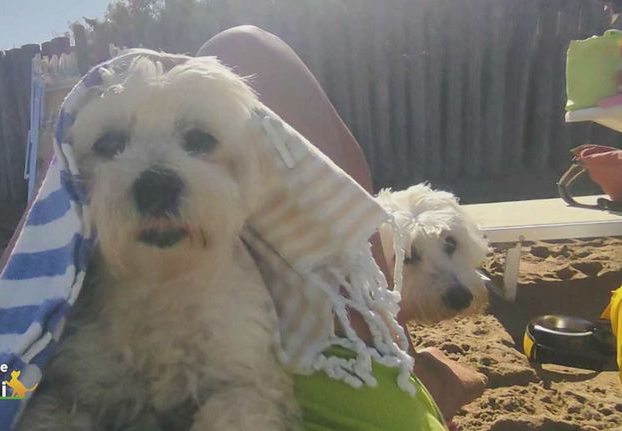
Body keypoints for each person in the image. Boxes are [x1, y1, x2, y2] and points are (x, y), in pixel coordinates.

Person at [0, 24, 486, 430]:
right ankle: (410, 360)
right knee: (246, 47)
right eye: (110, 146)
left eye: (197, 140)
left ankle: (417, 366)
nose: (153, 179)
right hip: (361, 392)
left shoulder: (233, 322)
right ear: (74, 182)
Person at [198, 25, 486, 430]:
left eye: (451, 246)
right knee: (244, 48)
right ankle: (396, 346)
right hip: (369, 388)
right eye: (410, 258)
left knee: (240, 49)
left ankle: (402, 352)